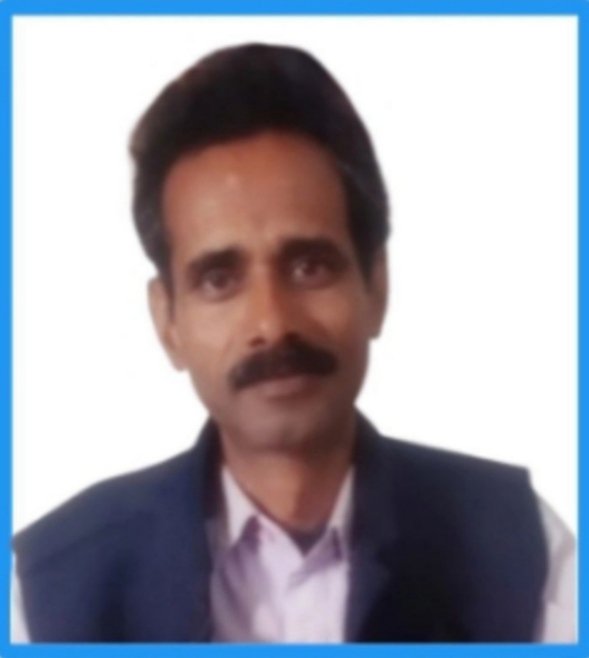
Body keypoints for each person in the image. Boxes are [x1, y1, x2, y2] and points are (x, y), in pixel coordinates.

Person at [11, 43, 575, 643]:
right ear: (167, 321)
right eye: (219, 279)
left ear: (376, 288)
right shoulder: (49, 591)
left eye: (310, 266)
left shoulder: (519, 551)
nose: (272, 322)